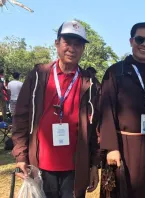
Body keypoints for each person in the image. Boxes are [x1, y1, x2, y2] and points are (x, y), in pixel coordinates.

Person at [12, 20, 101, 198]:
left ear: (83, 49)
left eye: (78, 44)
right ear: (57, 43)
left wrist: (93, 165)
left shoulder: (89, 83)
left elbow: (96, 128)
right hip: (41, 165)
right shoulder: (38, 76)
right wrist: (21, 156)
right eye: (67, 42)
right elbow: (21, 117)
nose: (72, 48)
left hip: (76, 168)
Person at [99, 22, 145, 198]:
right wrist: (111, 147)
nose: (144, 44)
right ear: (131, 41)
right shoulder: (115, 72)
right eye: (140, 39)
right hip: (123, 146)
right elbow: (106, 111)